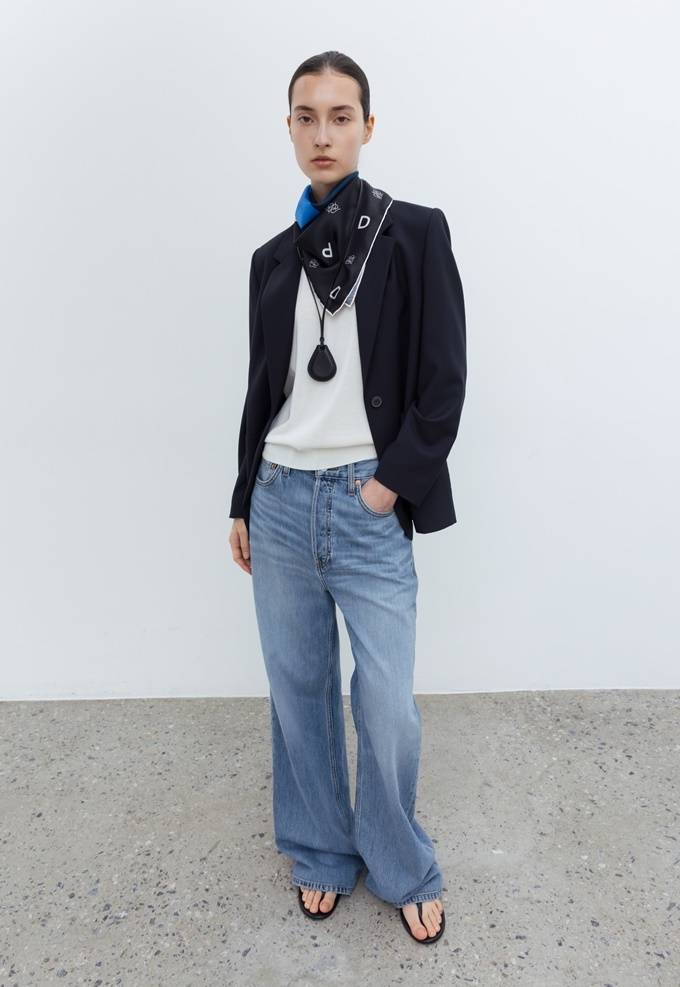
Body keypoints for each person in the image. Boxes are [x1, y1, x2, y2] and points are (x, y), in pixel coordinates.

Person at [228, 50, 466, 945]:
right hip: (281, 498)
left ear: (368, 126)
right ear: (289, 128)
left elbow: (443, 382)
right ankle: (322, 850)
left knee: (387, 703)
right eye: (306, 116)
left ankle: (402, 862)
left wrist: (386, 487)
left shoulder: (415, 234)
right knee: (299, 692)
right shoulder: (271, 260)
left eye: (339, 116)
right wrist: (242, 498)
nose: (322, 133)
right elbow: (262, 391)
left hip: (367, 504)